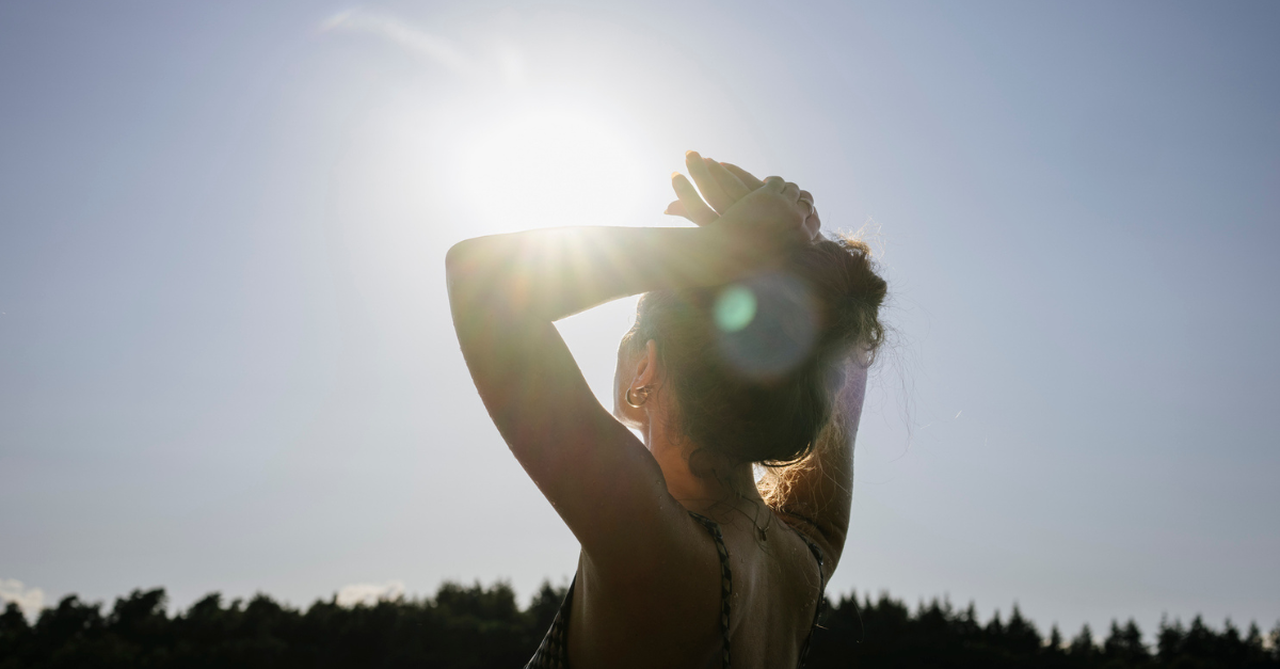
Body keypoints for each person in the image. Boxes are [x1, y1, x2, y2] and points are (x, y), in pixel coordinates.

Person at [446, 151, 887, 668]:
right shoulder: (804, 563)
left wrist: (718, 251)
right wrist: (798, 257)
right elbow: (846, 352)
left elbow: (481, 281)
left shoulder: (651, 546)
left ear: (645, 366)